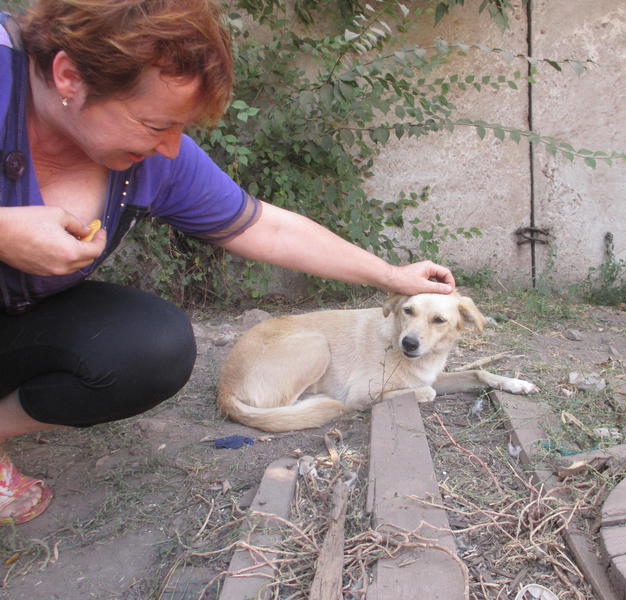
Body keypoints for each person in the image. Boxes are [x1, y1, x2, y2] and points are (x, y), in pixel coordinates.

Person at [0, 0, 455, 526]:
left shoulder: (154, 161)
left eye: (180, 129)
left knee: (149, 345)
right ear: (69, 76)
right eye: (155, 125)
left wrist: (392, 276)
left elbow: (264, 226)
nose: (171, 149)